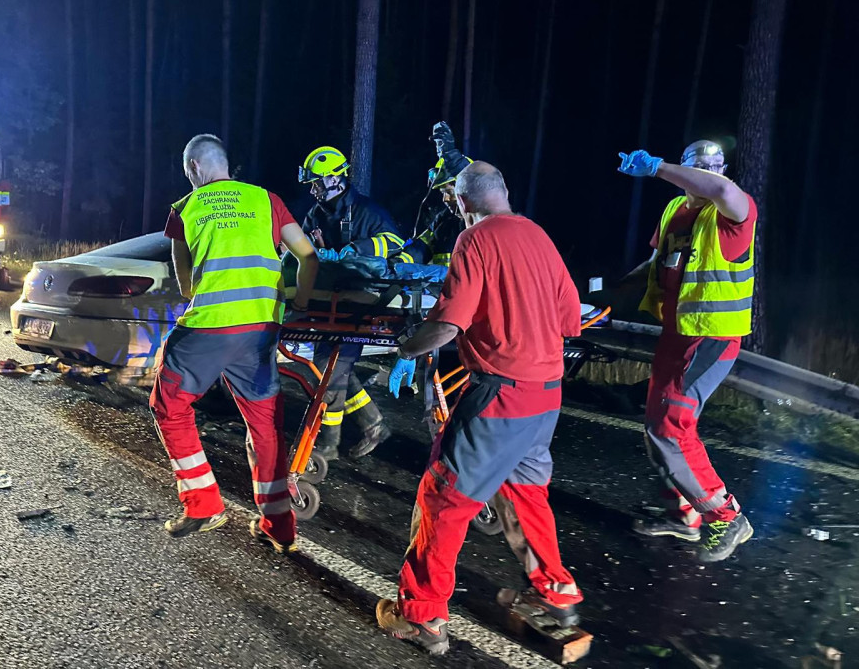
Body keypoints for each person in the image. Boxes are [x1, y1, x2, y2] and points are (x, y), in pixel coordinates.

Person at [376, 162, 583, 656]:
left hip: (501, 395)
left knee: (443, 498)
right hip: (546, 394)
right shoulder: (538, 235)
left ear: (462, 204)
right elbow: (570, 318)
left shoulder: (475, 242)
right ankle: (556, 594)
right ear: (505, 193)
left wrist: (405, 349)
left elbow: (449, 323)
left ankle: (421, 616)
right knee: (526, 493)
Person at [151, 134, 318, 553]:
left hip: (210, 327)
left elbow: (186, 284)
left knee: (168, 405)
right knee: (265, 425)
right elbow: (309, 256)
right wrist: (299, 298)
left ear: (193, 169)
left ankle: (203, 502)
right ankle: (280, 528)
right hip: (262, 329)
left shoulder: (184, 209)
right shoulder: (266, 200)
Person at [618, 140, 756, 563]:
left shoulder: (733, 210)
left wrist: (657, 166)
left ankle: (726, 516)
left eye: (720, 165)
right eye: (704, 165)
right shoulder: (675, 209)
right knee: (656, 427)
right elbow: (658, 263)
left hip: (711, 337)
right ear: (687, 168)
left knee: (671, 428)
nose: (715, 172)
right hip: (677, 334)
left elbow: (721, 191)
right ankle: (683, 515)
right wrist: (602, 294)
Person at [297, 145, 399, 460]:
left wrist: (357, 250)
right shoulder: (315, 215)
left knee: (333, 369)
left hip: (361, 305)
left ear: (334, 179)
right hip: (327, 304)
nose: (313, 188)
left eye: (317, 181)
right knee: (327, 367)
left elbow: (395, 245)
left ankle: (328, 443)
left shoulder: (369, 213)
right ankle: (374, 425)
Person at [406, 122, 469, 267]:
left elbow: (477, 183)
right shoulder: (443, 221)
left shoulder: (484, 225)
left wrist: (454, 159)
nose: (445, 199)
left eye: (449, 193)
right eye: (443, 193)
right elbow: (420, 248)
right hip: (441, 290)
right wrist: (396, 262)